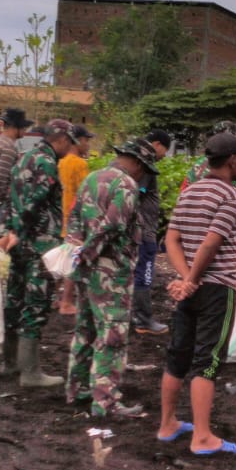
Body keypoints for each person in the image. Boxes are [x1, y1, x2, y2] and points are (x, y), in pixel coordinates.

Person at [155, 131, 236, 457]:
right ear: (232, 160)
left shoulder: (190, 192)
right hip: (216, 289)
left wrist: (185, 280)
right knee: (206, 362)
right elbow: (211, 242)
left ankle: (167, 423)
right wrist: (194, 279)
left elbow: (171, 240)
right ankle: (202, 437)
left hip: (191, 288)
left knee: (177, 355)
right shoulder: (230, 195)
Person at [64, 139, 160, 418]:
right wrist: (90, 253)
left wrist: (79, 256)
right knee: (113, 336)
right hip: (111, 271)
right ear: (139, 164)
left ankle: (77, 388)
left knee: (85, 329)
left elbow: (74, 221)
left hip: (85, 268)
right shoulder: (127, 186)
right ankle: (106, 401)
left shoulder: (91, 178)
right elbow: (114, 225)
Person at [0, 118, 78, 387]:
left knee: (14, 301)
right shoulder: (47, 162)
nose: (71, 147)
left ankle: (10, 364)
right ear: (62, 139)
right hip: (38, 245)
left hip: (19, 244)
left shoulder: (24, 158)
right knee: (36, 303)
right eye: (71, 142)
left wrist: (8, 231)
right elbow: (34, 202)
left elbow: (12, 199)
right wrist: (17, 230)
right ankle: (29, 372)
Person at [131, 129, 174, 335]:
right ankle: (143, 319)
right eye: (165, 150)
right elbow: (135, 196)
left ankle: (133, 316)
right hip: (143, 231)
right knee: (144, 274)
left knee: (133, 273)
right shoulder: (144, 165)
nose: (164, 155)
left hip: (133, 231)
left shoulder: (131, 160)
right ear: (157, 144)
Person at [57, 125, 94, 315]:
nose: (88, 144)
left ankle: (58, 299)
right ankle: (66, 302)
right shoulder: (80, 164)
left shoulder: (61, 161)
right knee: (73, 261)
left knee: (62, 260)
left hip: (60, 217)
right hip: (76, 219)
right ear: (78, 140)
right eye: (86, 140)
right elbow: (86, 194)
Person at [0, 107, 31, 248]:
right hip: (3, 202)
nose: (25, 131)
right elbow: (1, 177)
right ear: (16, 128)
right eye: (24, 128)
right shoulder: (9, 148)